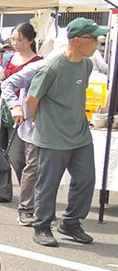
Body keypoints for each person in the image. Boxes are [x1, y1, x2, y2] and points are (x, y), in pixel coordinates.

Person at [27, 17, 104, 247]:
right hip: (52, 136)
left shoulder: (86, 65)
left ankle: (70, 222)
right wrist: (40, 123)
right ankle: (41, 226)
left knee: (86, 179)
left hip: (80, 134)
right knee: (48, 184)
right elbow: (32, 100)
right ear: (79, 41)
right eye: (95, 39)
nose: (98, 45)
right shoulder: (52, 67)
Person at [0, 22, 43, 224]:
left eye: (19, 39)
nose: (15, 43)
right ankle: (2, 190)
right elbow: (5, 80)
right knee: (1, 151)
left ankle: (28, 197)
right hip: (6, 108)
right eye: (13, 39)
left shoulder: (38, 62)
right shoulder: (8, 57)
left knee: (19, 158)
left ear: (30, 41)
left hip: (24, 113)